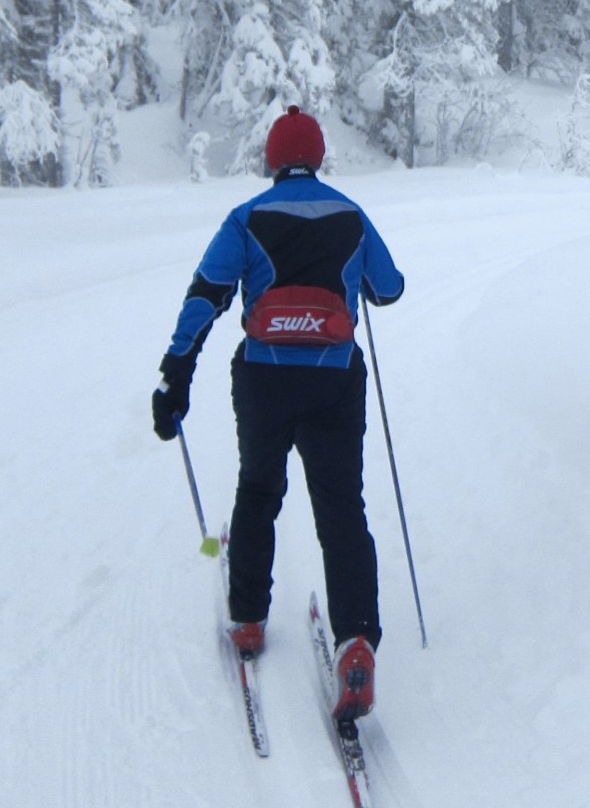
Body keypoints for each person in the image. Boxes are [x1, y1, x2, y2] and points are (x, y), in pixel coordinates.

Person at [151, 105, 404, 722]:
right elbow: (390, 287)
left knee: (259, 491)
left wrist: (176, 373)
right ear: (318, 157)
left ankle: (247, 619)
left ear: (271, 160)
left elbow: (205, 296)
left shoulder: (246, 218)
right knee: (341, 508)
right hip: (334, 382)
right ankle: (356, 641)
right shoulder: (351, 214)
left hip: (263, 379)